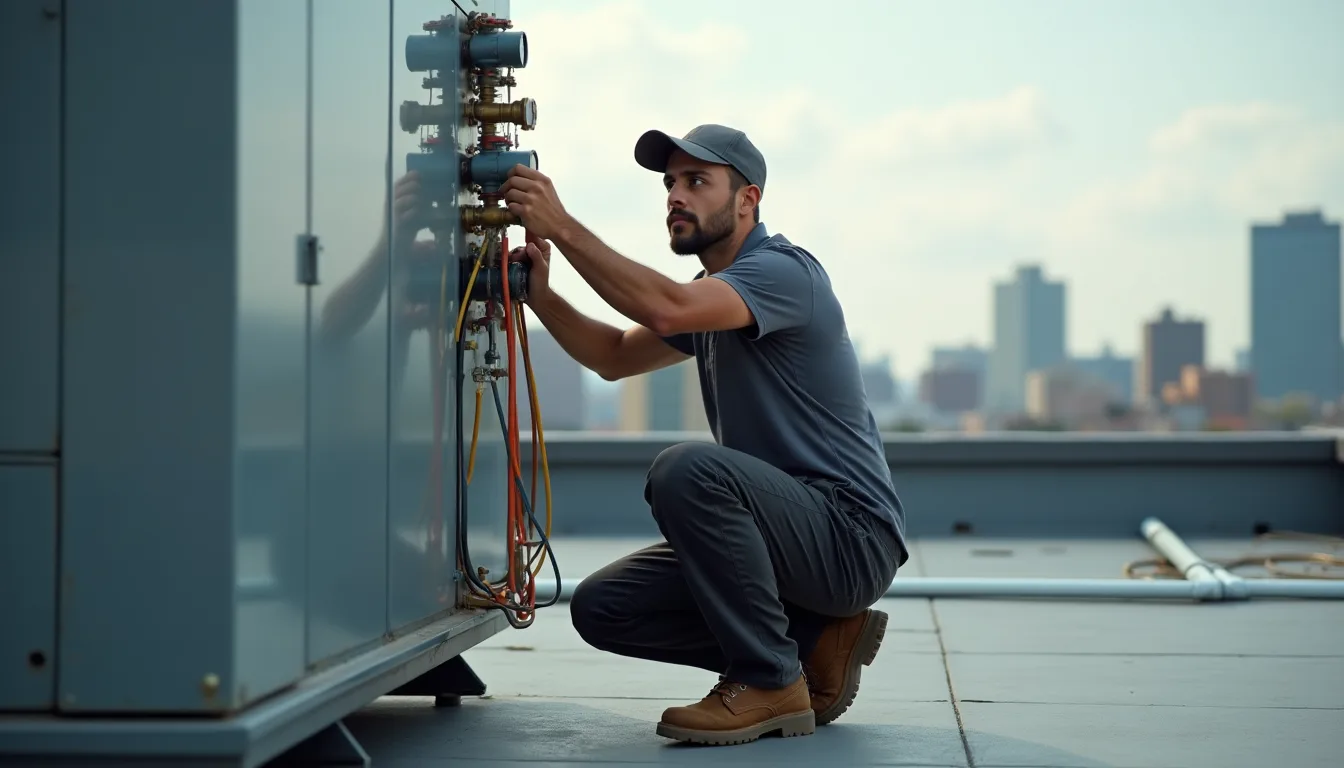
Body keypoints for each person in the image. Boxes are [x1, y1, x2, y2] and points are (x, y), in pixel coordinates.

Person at [497, 124, 908, 746]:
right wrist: (539, 295)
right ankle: (815, 645)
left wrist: (562, 225)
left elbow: (664, 310)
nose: (674, 196)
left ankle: (768, 680)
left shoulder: (782, 273)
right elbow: (612, 355)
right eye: (669, 184)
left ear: (749, 200)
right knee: (605, 607)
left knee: (687, 469)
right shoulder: (710, 299)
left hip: (848, 538)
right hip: (784, 536)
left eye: (697, 181)